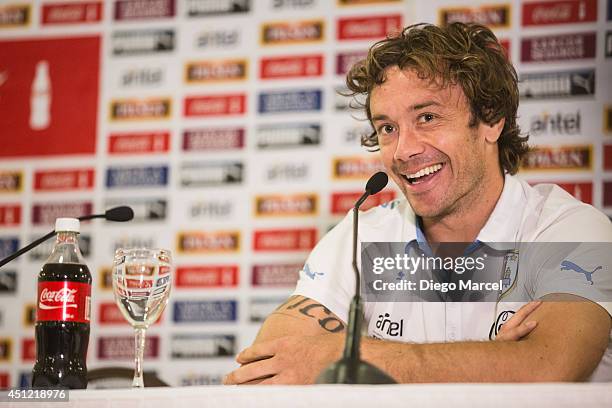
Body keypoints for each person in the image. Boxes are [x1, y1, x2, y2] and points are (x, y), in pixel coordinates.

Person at [224, 22, 612, 384]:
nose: (404, 150)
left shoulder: (569, 228)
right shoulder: (362, 232)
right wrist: (493, 362)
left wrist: (340, 359)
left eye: (427, 117)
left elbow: (549, 368)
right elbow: (270, 367)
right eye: (387, 128)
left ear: (492, 120)